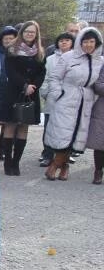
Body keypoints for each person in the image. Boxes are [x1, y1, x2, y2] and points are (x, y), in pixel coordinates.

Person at [43, 28, 103, 181]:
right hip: (67, 97)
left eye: (92, 42)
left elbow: (97, 82)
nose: (88, 45)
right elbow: (54, 77)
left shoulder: (99, 60)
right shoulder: (69, 57)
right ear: (80, 42)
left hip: (87, 101)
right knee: (64, 134)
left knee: (76, 134)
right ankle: (57, 165)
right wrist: (58, 94)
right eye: (85, 41)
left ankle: (63, 166)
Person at [0, 20, 46, 176]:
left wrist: (33, 86)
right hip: (14, 91)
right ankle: (7, 161)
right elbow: (10, 71)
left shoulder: (39, 51)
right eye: (27, 32)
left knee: (23, 127)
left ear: (36, 34)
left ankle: (16, 162)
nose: (29, 34)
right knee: (11, 125)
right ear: (22, 33)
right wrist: (24, 85)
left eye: (32, 32)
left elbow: (42, 72)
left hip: (31, 93)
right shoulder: (12, 49)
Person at [40, 33, 75, 167]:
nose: (64, 43)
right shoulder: (50, 59)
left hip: (70, 99)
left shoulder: (77, 59)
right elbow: (46, 78)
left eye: (67, 40)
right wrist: (45, 93)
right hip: (52, 98)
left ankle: (65, 155)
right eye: (61, 41)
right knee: (49, 127)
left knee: (67, 128)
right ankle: (47, 155)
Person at [0, 26, 18, 159]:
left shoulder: (19, 53)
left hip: (12, 91)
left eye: (11, 38)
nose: (8, 41)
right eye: (5, 38)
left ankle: (3, 148)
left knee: (8, 122)